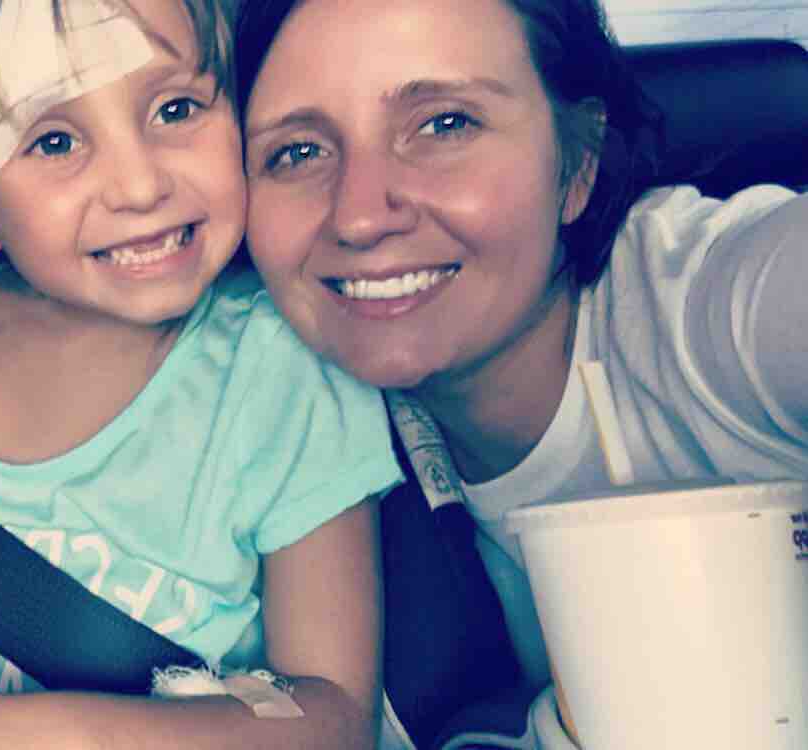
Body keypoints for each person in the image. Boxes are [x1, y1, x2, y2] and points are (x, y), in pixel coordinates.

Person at [0, 0, 403, 747]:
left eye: (176, 109)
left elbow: (329, 714)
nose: (140, 186)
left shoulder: (285, 370)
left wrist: (13, 735)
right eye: (54, 142)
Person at [236, 0, 808, 745]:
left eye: (445, 124)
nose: (359, 216)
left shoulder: (710, 309)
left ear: (577, 162)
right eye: (298, 152)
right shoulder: (279, 431)